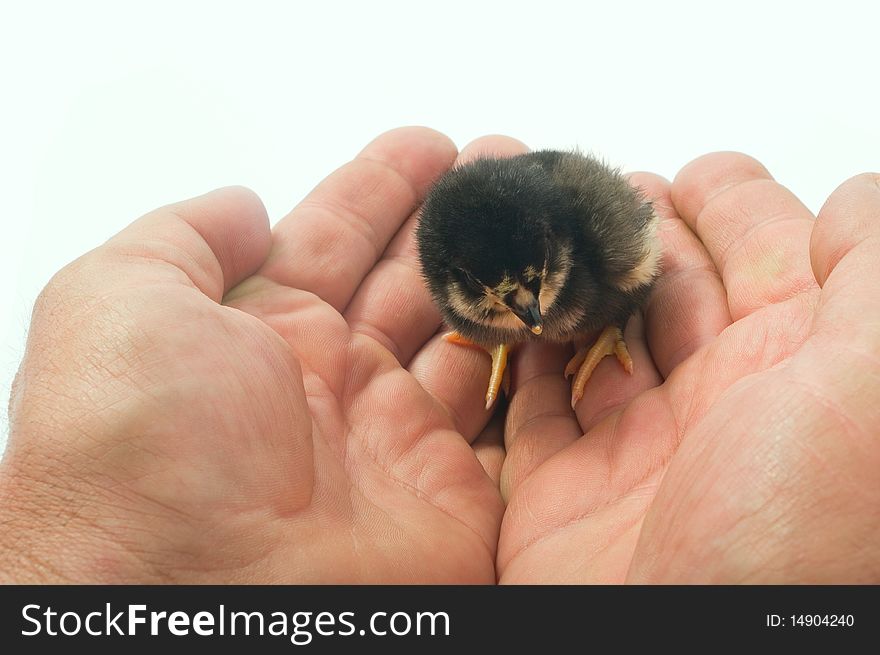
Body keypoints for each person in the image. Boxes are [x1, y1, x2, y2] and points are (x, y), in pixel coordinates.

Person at [0, 127, 877, 584]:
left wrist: (604, 320)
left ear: (552, 243)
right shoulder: (459, 280)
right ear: (456, 285)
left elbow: (624, 260)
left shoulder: (597, 245)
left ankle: (594, 329)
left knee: (612, 285)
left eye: (535, 285)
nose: (531, 313)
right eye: (507, 302)